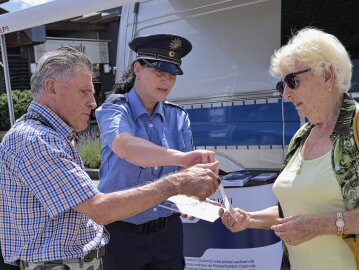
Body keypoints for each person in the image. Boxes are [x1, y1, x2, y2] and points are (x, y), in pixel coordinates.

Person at [0, 47, 220, 270]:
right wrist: (178, 182)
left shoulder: (52, 136)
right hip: (80, 254)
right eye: (84, 91)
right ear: (51, 87)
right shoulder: (36, 139)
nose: (93, 102)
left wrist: (188, 193)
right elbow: (100, 208)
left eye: (171, 75)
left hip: (155, 234)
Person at [220, 27, 359, 270]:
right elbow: (298, 211)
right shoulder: (301, 137)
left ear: (326, 75)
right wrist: (250, 219)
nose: (285, 94)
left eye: (292, 81)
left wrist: (321, 226)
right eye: (280, 85)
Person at [95, 34, 216, 270]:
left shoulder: (177, 116)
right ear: (137, 68)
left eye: (172, 75)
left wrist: (193, 197)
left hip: (166, 232)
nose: (166, 81)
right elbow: (125, 147)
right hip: (120, 232)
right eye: (159, 72)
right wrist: (180, 158)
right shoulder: (114, 109)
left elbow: (186, 171)